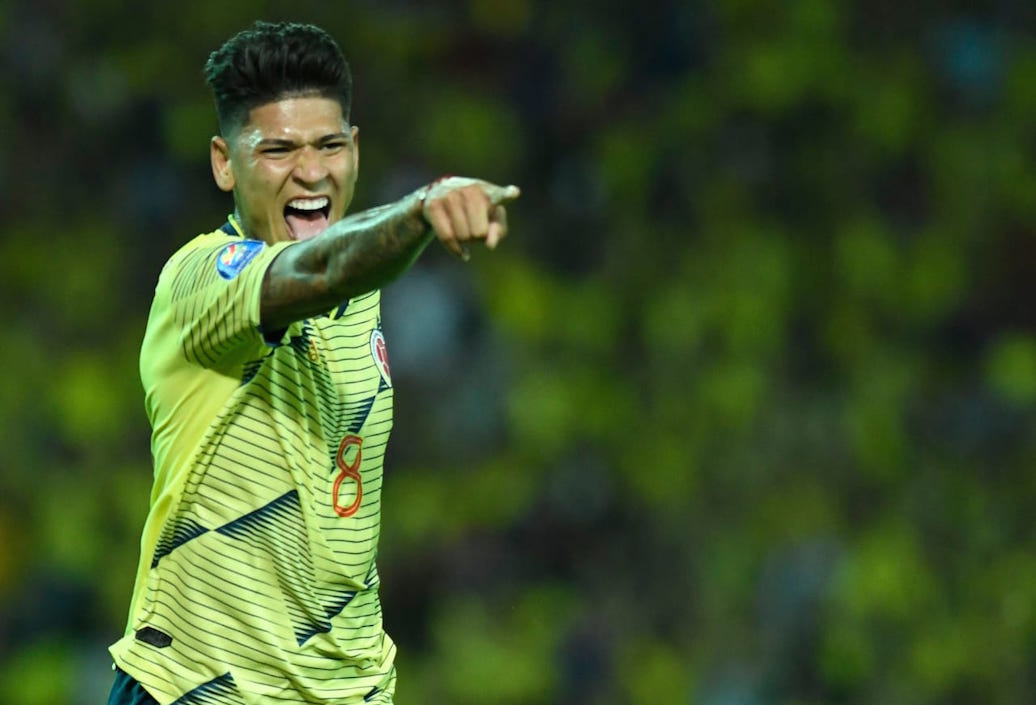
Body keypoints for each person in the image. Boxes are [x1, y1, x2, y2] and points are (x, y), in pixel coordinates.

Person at [107, 20, 519, 705]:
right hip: (201, 689)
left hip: (348, 688)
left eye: (329, 145)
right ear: (222, 162)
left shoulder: (365, 292)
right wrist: (421, 208)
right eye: (277, 149)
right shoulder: (200, 280)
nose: (310, 170)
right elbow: (319, 268)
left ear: (355, 149)